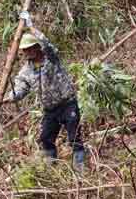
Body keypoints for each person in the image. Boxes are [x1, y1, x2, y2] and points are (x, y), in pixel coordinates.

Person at [5, 12, 85, 169]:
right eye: (25, 50)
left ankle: (80, 172)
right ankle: (51, 169)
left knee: (74, 138)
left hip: (67, 103)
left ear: (36, 47)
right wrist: (13, 96)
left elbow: (46, 44)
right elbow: (21, 87)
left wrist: (31, 27)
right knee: (46, 139)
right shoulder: (26, 72)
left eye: (30, 48)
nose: (28, 52)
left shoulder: (51, 58)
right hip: (50, 110)